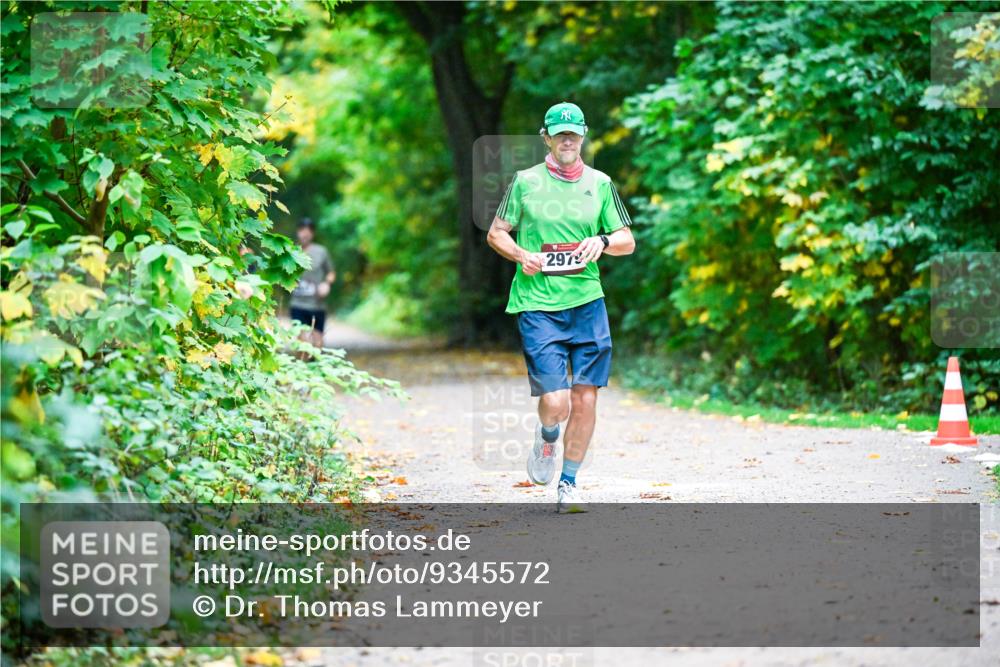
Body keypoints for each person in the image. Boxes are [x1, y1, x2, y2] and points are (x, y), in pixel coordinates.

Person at [486, 101, 635, 513]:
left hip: (587, 303)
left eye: (574, 133)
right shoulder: (525, 182)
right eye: (559, 133)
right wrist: (521, 255)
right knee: (557, 401)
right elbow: (497, 234)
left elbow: (627, 240)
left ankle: (568, 484)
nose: (567, 140)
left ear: (583, 136)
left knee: (586, 399)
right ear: (546, 138)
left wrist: (601, 242)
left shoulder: (600, 184)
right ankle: (548, 436)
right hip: (538, 303)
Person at [289, 218, 335, 349]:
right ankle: (302, 368)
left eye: (309, 230)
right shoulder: (291, 251)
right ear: (298, 232)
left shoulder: (321, 251)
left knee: (318, 343)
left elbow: (331, 273)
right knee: (302, 342)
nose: (305, 233)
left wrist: (326, 284)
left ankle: (317, 367)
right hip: (297, 304)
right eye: (302, 230)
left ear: (312, 233)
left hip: (317, 305)